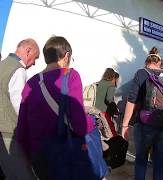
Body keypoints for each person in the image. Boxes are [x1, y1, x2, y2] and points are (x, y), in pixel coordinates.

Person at [16, 36, 97, 179]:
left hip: (39, 157)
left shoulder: (31, 82)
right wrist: (92, 122)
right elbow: (80, 126)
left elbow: (22, 127)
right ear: (66, 56)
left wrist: (28, 157)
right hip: (65, 155)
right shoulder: (70, 75)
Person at [121, 47, 163, 180]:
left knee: (141, 161)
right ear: (160, 62)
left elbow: (132, 100)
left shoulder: (141, 73)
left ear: (147, 61)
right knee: (160, 164)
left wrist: (124, 126)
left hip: (144, 125)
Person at [0, 38, 40, 180]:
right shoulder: (18, 70)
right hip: (10, 135)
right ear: (28, 50)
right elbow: (20, 108)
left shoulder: (2, 64)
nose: (34, 62)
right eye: (35, 57)